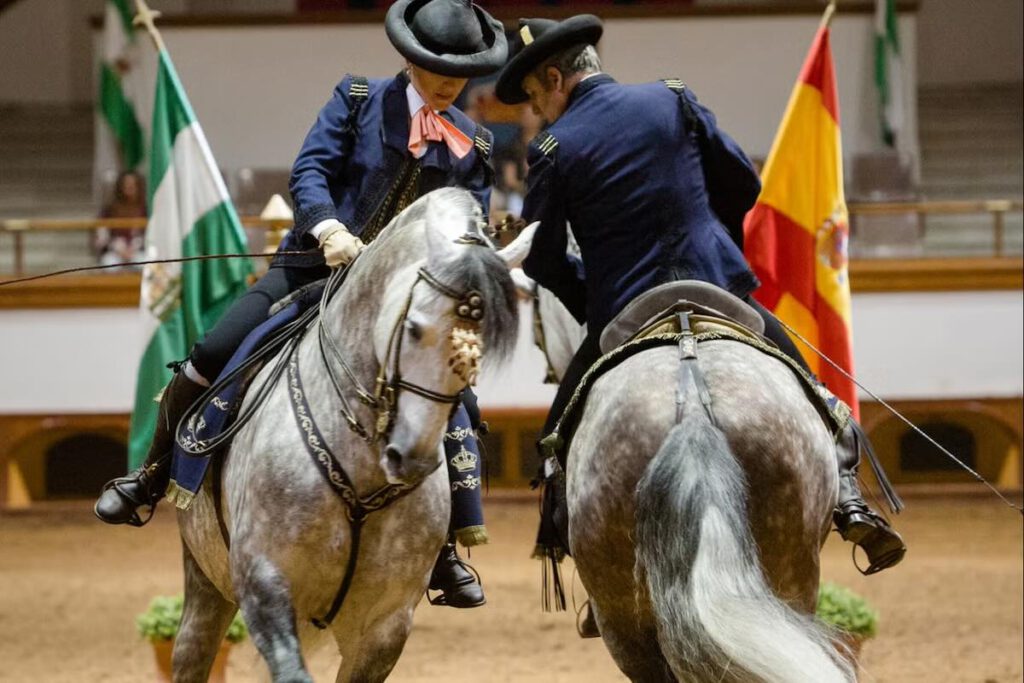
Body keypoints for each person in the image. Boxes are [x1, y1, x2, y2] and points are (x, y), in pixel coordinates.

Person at [95, 0, 508, 608]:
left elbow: (466, 219)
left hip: (398, 301)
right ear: (408, 58)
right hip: (311, 269)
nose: (451, 84)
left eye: (460, 73)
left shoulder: (475, 142)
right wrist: (328, 228)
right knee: (212, 350)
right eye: (436, 69)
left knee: (457, 397)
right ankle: (152, 475)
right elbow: (310, 170)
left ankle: (445, 547)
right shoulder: (359, 97)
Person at [494, 14, 905, 590]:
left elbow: (539, 258)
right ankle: (850, 500)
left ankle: (574, 546)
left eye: (536, 99)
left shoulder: (555, 147)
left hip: (624, 305)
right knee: (813, 389)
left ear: (556, 78)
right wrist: (720, 260)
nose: (537, 113)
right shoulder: (672, 98)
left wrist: (592, 301)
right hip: (713, 284)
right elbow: (742, 185)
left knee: (558, 437)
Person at [95, 171, 147, 269]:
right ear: (120, 186)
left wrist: (134, 248)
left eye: (133, 184)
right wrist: (119, 249)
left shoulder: (146, 210)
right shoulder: (109, 210)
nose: (129, 187)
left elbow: (150, 234)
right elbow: (102, 234)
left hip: (138, 251)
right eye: (126, 184)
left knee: (143, 263)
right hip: (115, 252)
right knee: (109, 264)